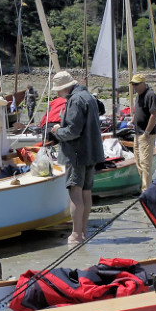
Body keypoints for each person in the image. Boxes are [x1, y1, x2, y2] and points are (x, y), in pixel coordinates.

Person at [48, 70, 104, 245]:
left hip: (77, 154)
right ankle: (83, 232)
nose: (57, 93)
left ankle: (75, 234)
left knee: (75, 193)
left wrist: (58, 131)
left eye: (58, 90)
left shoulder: (75, 100)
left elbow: (73, 131)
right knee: (86, 193)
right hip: (91, 152)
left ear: (65, 88)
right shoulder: (88, 96)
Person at [129, 73, 156, 191]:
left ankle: (146, 190)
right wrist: (132, 120)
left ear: (143, 83)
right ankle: (143, 185)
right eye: (133, 84)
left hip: (146, 135)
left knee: (145, 163)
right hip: (137, 133)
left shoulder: (150, 95)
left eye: (136, 84)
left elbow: (154, 114)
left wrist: (147, 132)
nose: (134, 87)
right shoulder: (138, 96)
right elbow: (138, 111)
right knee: (138, 161)